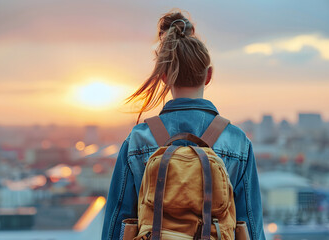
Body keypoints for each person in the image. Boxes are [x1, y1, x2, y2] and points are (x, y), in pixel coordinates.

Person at [102, 10, 266, 240]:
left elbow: (116, 226)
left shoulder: (139, 140)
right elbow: (250, 226)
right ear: (208, 75)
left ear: (164, 77)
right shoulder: (237, 142)